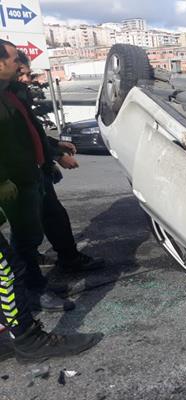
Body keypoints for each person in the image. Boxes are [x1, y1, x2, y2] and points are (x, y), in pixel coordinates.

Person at [0, 38, 102, 362]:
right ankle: (28, 332)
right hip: (19, 182)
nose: (22, 68)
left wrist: (51, 151)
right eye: (16, 60)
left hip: (29, 177)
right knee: (12, 264)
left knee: (18, 256)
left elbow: (30, 136)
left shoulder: (10, 95)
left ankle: (24, 324)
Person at [14, 52, 105, 275]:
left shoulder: (16, 94)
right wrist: (56, 155)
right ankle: (36, 281)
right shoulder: (7, 97)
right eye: (20, 73)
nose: (26, 79)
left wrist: (55, 144)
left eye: (28, 74)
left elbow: (32, 131)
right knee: (36, 222)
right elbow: (19, 138)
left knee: (43, 218)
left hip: (33, 169)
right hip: (20, 172)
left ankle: (41, 266)